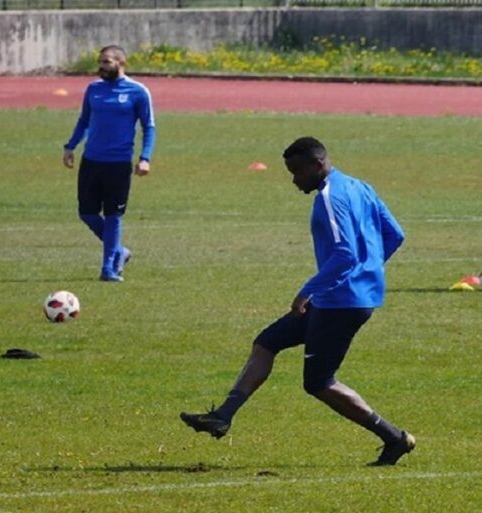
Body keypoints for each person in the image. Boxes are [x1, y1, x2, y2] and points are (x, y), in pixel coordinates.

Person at [180, 137, 415, 466]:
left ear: (318, 165)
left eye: (298, 172)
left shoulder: (330, 198)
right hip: (341, 297)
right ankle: (223, 416)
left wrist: (309, 289)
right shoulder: (360, 187)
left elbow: (345, 254)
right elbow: (395, 234)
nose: (294, 180)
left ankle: (394, 438)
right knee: (267, 342)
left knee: (319, 382)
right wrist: (369, 269)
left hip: (341, 302)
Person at [63, 45, 156, 282]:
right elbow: (84, 120)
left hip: (119, 163)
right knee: (87, 213)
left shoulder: (138, 91)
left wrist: (145, 158)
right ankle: (120, 251)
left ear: (121, 63)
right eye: (100, 62)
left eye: (106, 62)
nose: (101, 67)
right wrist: (70, 146)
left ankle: (109, 268)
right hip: (91, 160)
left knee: (113, 215)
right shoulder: (93, 89)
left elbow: (148, 127)